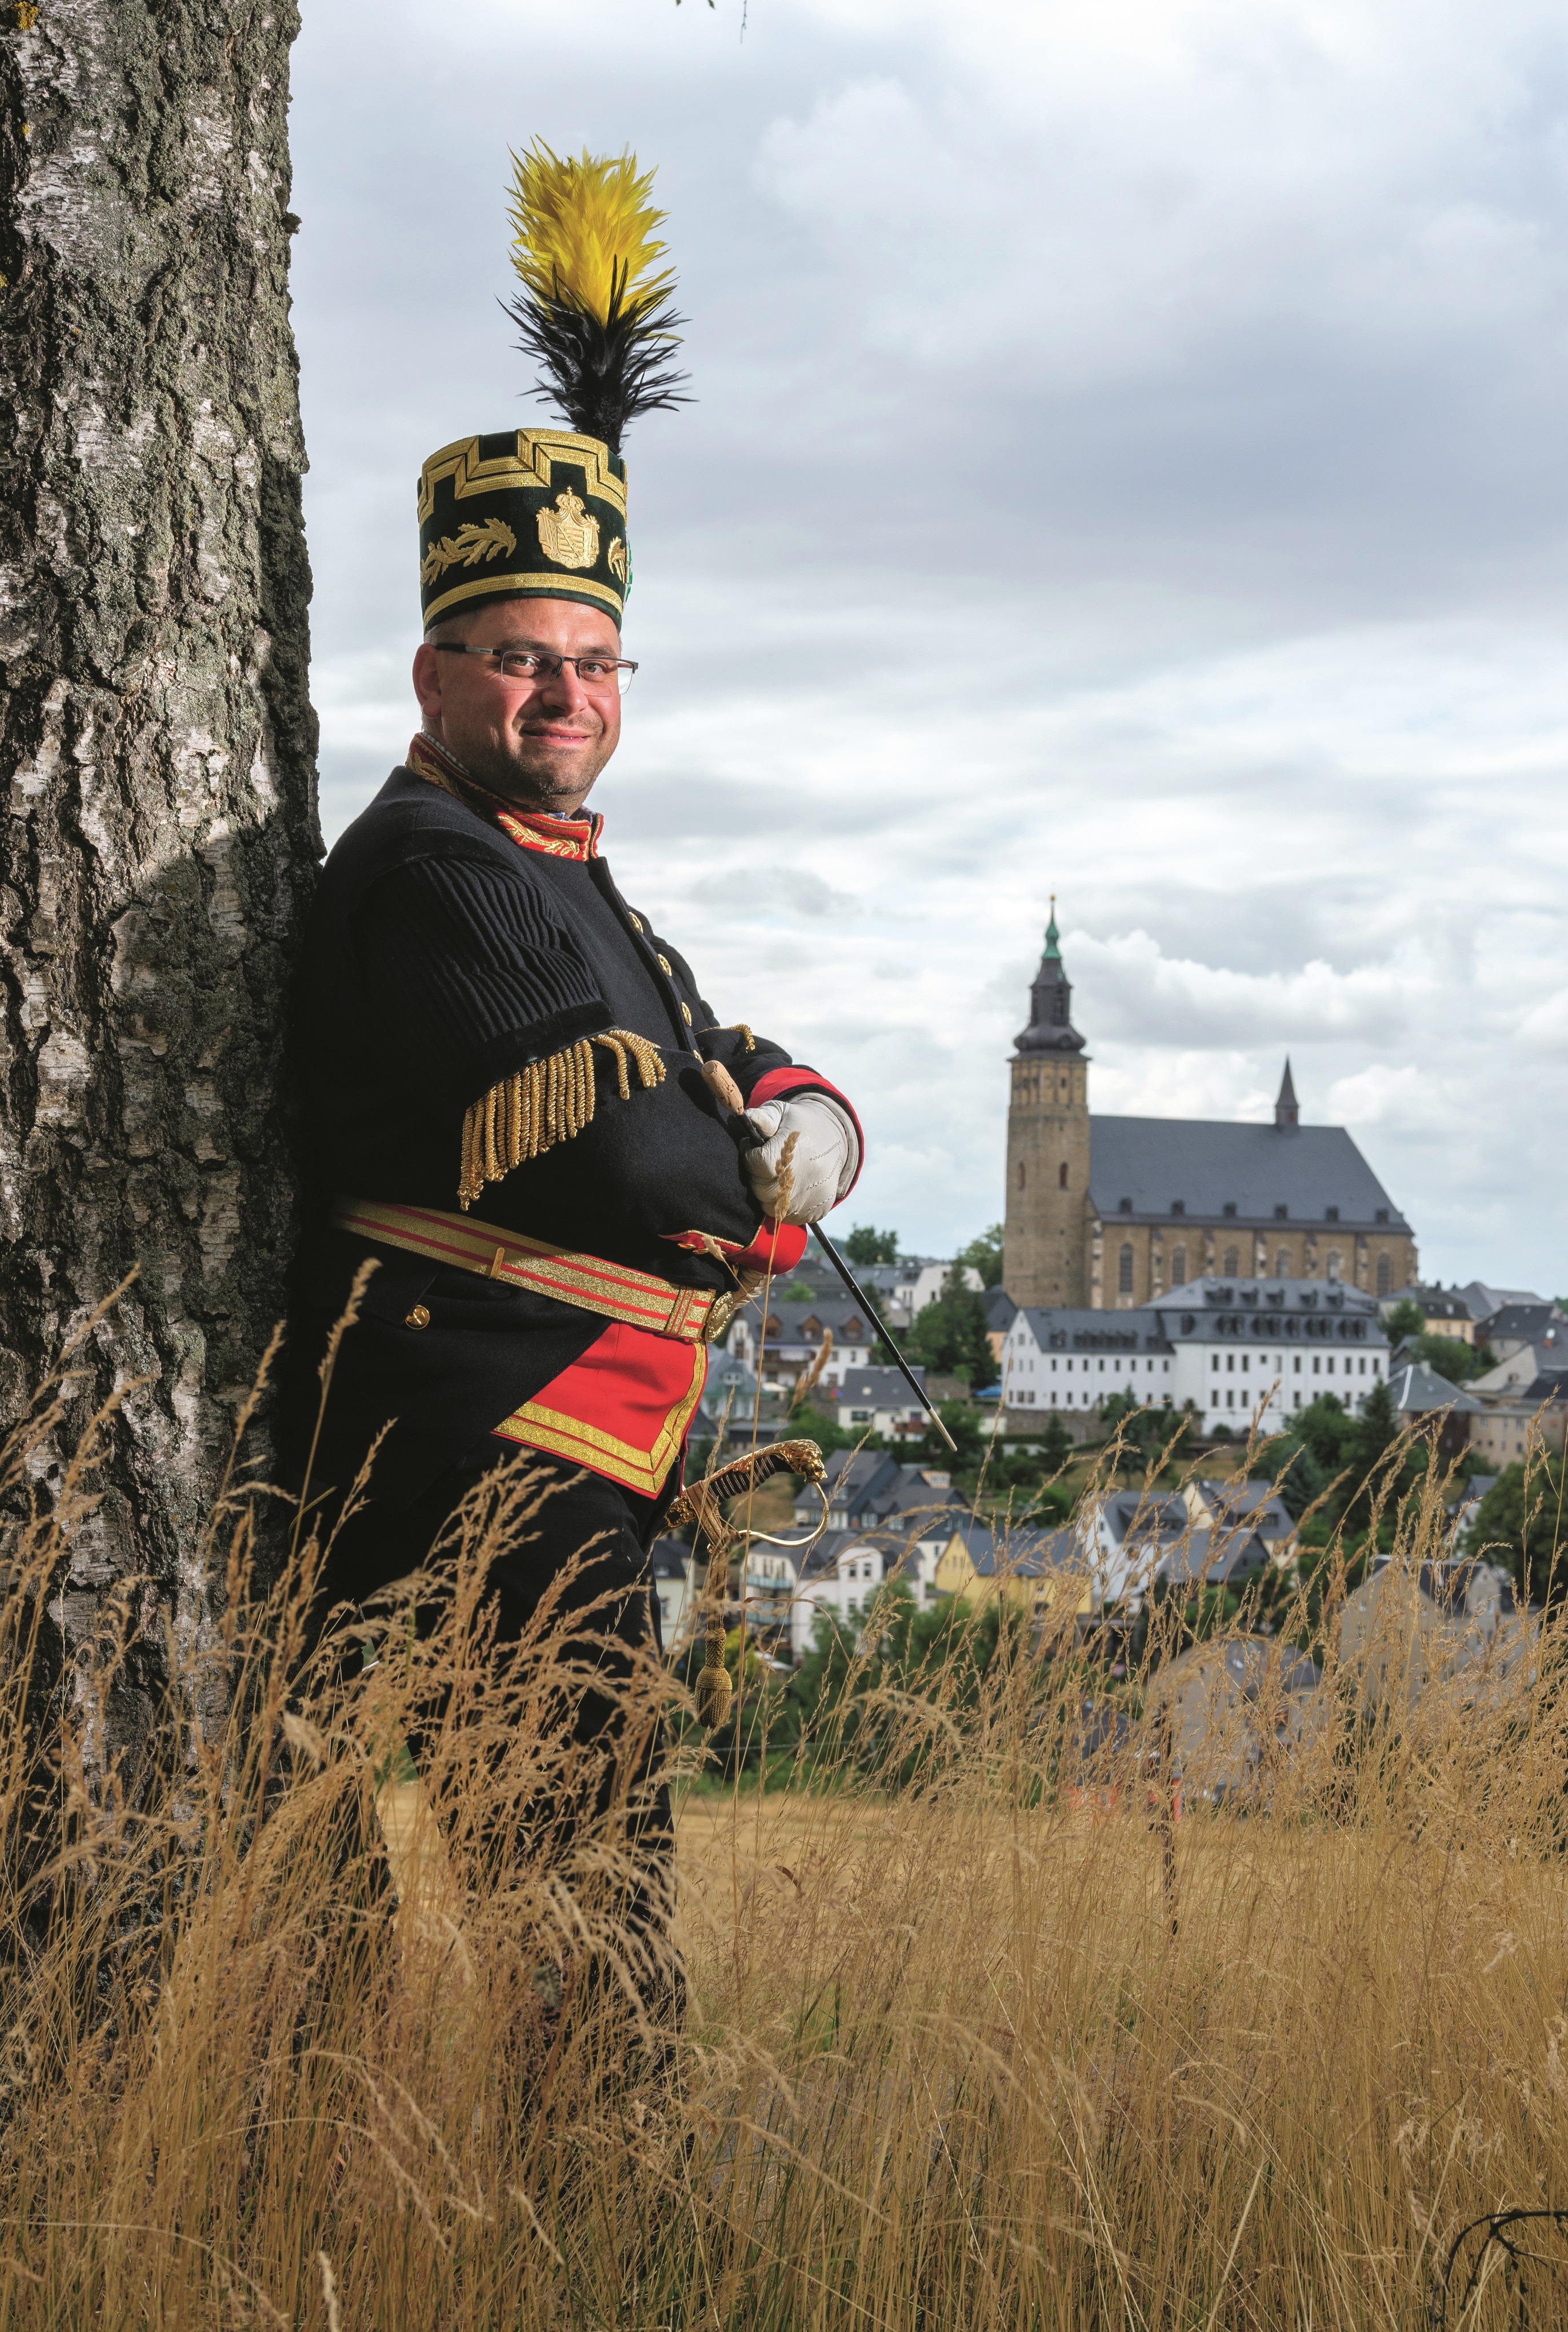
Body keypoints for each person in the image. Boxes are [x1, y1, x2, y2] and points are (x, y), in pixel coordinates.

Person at [285, 144, 861, 1988]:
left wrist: (801, 1119)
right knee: (588, 1943)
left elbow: (715, 1058)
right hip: (474, 1473)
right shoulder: (431, 869)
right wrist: (761, 1171)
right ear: (433, 674)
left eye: (598, 664)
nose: (564, 698)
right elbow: (639, 1161)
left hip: (559, 1466)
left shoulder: (558, 864)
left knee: (587, 1925)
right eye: (521, 660)